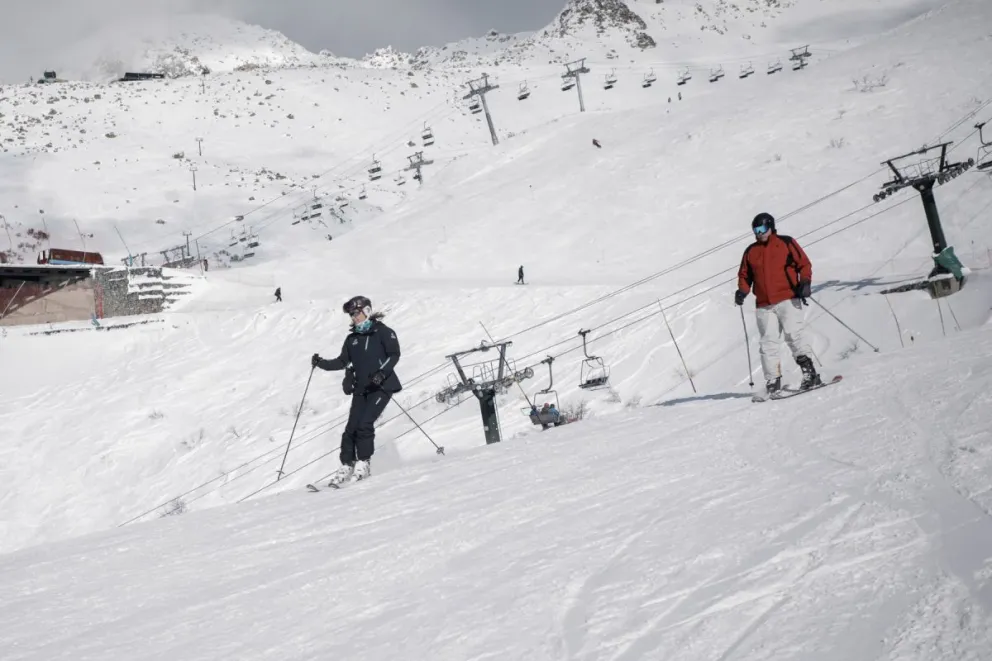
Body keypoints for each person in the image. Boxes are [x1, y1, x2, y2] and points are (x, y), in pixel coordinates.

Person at [311, 295, 401, 485]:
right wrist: (321, 363)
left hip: (382, 386)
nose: (354, 317)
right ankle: (347, 465)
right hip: (362, 389)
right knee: (351, 428)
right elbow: (342, 361)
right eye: (351, 315)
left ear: (367, 311)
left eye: (356, 313)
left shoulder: (383, 332)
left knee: (364, 424)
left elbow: (394, 355)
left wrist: (381, 373)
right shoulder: (352, 339)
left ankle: (364, 463)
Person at [735, 212, 821, 394]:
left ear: (771, 227)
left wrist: (805, 282)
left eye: (762, 229)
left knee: (794, 336)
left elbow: (804, 264)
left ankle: (810, 374)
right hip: (764, 304)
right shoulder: (751, 251)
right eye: (755, 230)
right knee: (768, 342)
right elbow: (744, 275)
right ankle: (773, 380)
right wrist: (742, 291)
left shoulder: (786, 243)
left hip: (788, 298)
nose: (759, 233)